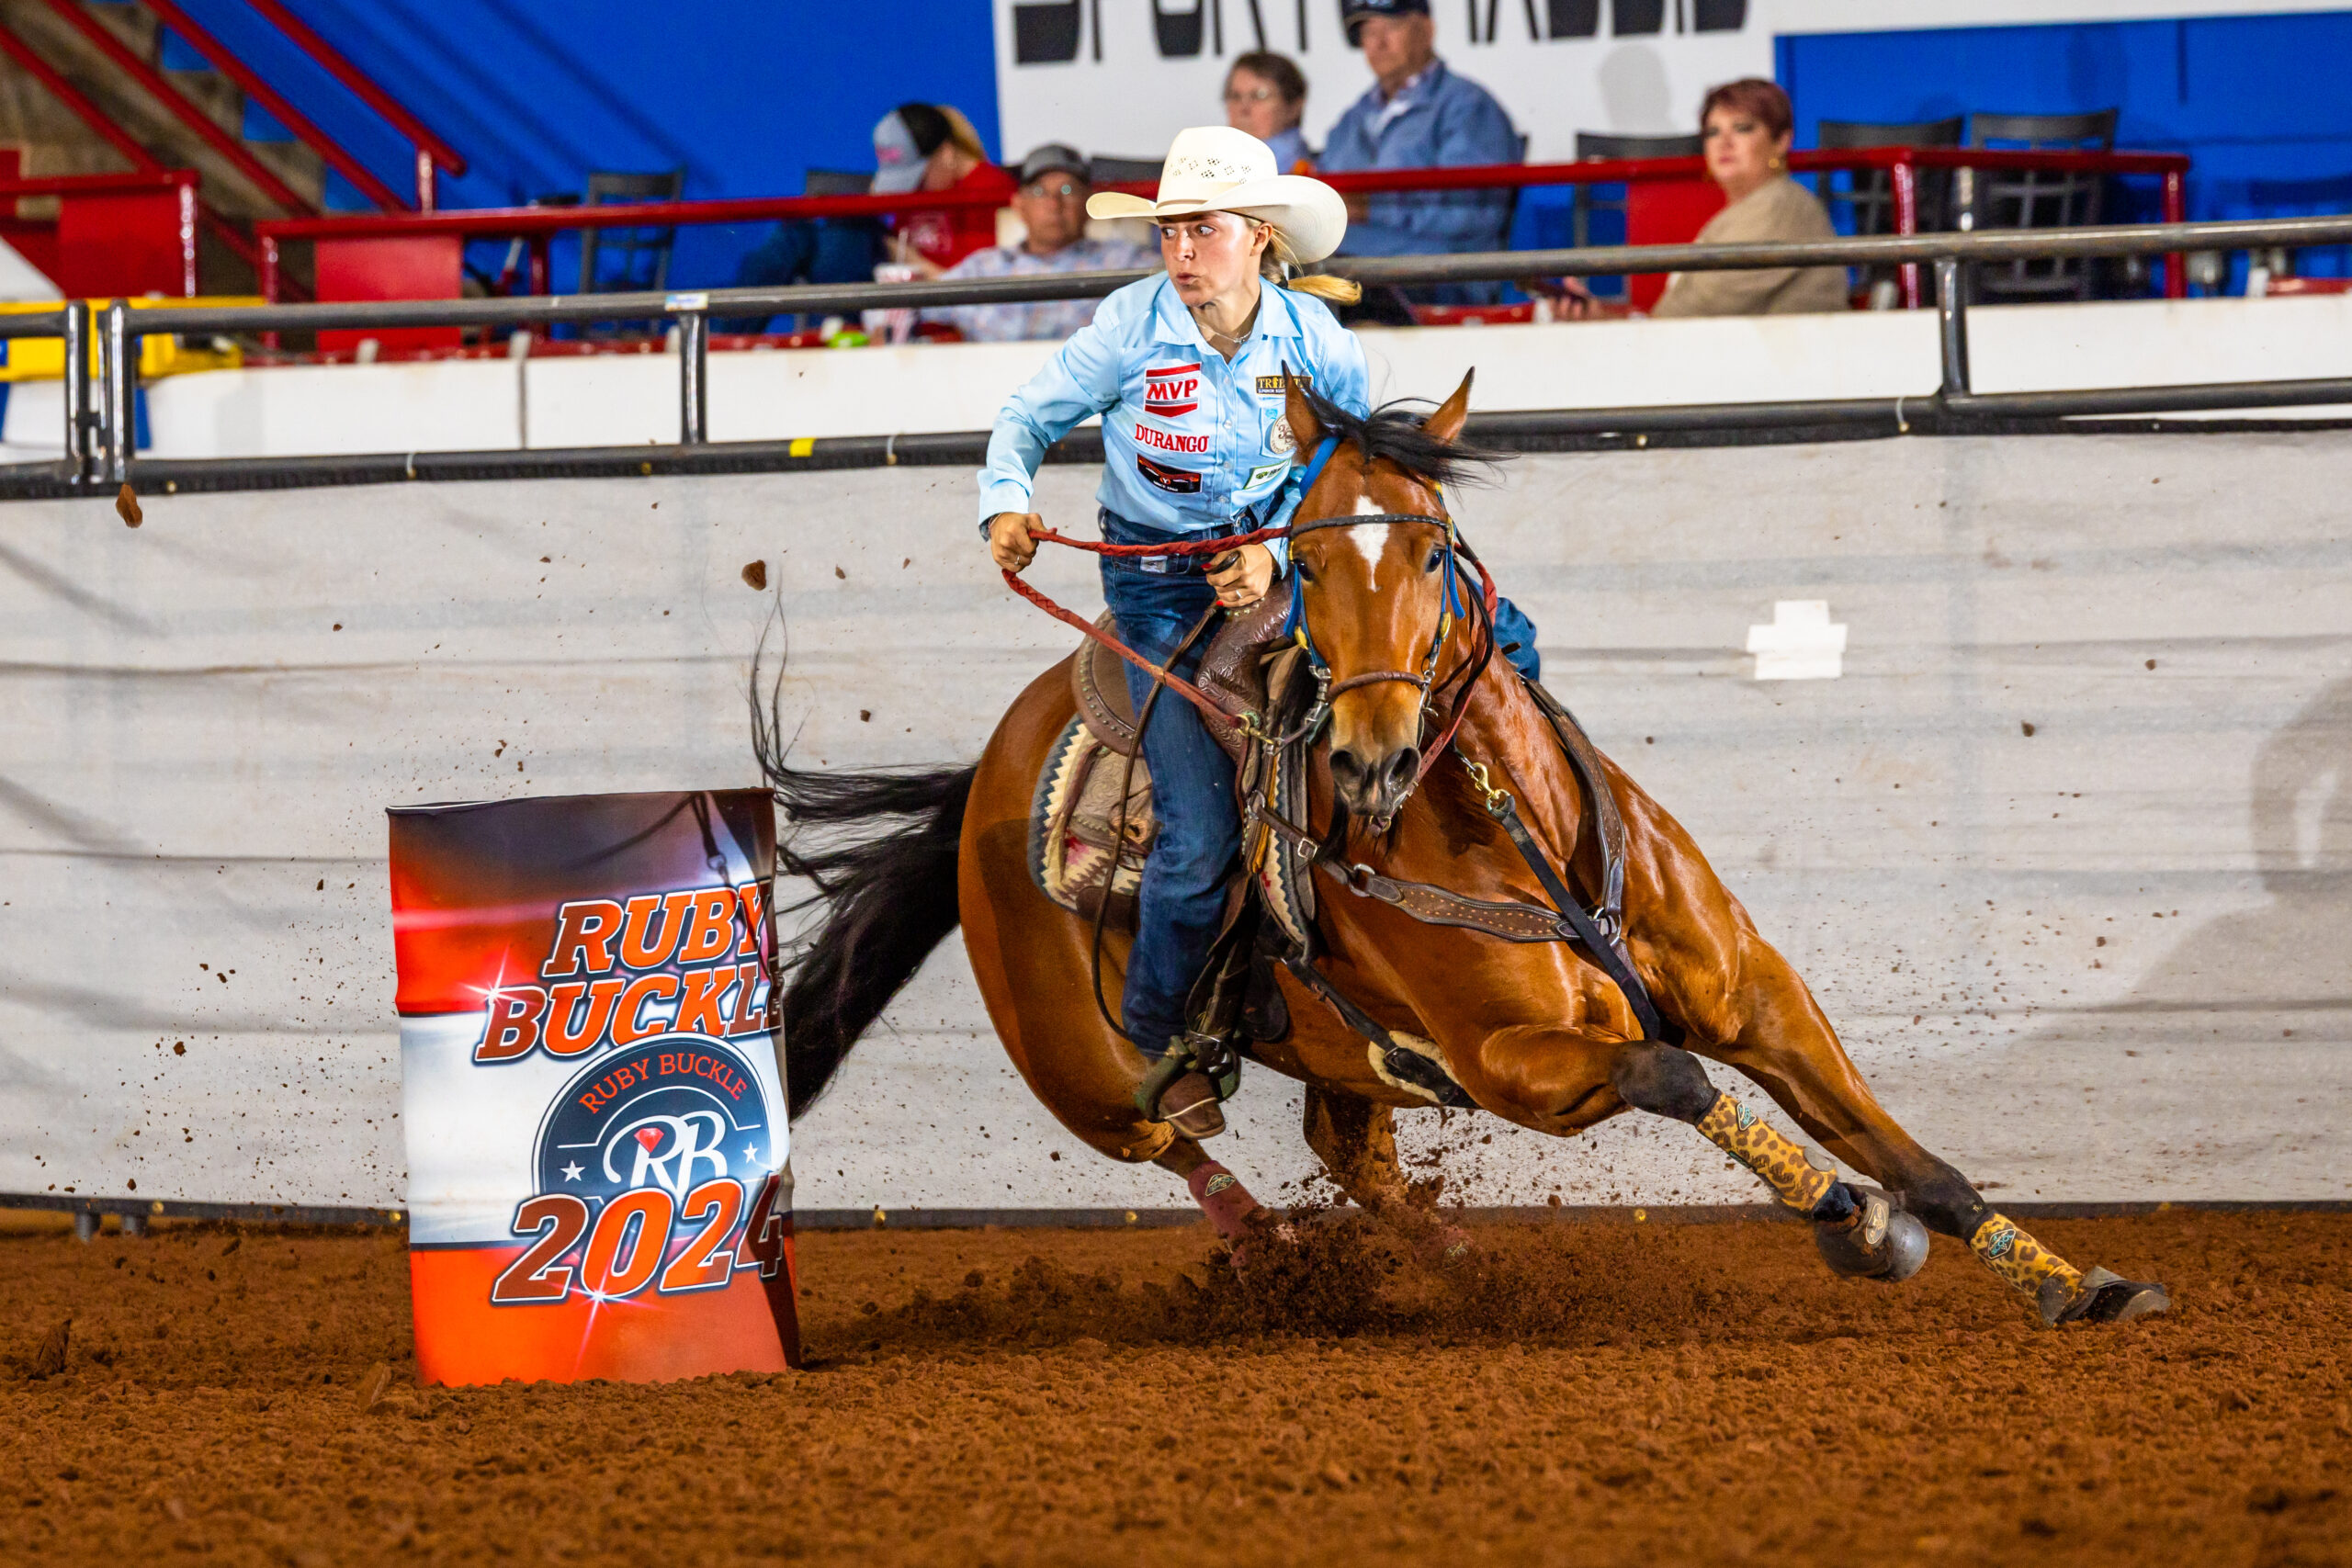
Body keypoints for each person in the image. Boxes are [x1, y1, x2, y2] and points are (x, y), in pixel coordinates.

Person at [980, 126, 1543, 1137]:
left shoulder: (1318, 344)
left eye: (1201, 230)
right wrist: (1004, 504)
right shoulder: (1127, 329)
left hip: (1294, 562)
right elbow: (1024, 418)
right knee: (1194, 840)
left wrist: (1277, 557)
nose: (1182, 252)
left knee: (1505, 640)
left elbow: (1357, 483)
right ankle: (1161, 1034)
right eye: (1170, 234)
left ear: (1256, 238)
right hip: (1159, 591)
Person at [727, 102, 1012, 332]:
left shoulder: (990, 189)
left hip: (932, 308)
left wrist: (891, 247)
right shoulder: (929, 186)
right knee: (799, 234)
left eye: (917, 178)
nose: (911, 190)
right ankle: (720, 336)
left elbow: (971, 285)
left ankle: (725, 332)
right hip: (890, 298)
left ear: (947, 154)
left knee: (838, 238)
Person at [1317, 0, 1520, 276]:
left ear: (1427, 30)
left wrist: (1369, 209)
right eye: (1367, 32)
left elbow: (1471, 217)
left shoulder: (1468, 106)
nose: (1378, 43)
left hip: (1443, 277)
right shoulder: (1353, 118)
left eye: (1391, 27)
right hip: (1349, 271)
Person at [1650, 79, 1849, 318]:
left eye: (1742, 128)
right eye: (1713, 132)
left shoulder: (1780, 205)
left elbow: (1706, 304)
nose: (1724, 143)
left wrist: (1629, 326)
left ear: (1781, 141)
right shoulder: (1742, 210)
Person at [921, 144, 1156, 343]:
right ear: (1018, 205)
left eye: (1068, 190)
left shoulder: (1124, 261)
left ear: (1088, 203)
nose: (1054, 204)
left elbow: (1180, 285)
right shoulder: (983, 268)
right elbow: (910, 306)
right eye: (1039, 191)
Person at [1224, 51, 1311, 174]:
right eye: (1235, 96)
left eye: (1259, 96)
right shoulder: (1211, 161)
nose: (1243, 109)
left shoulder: (1297, 169)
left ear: (1293, 108)